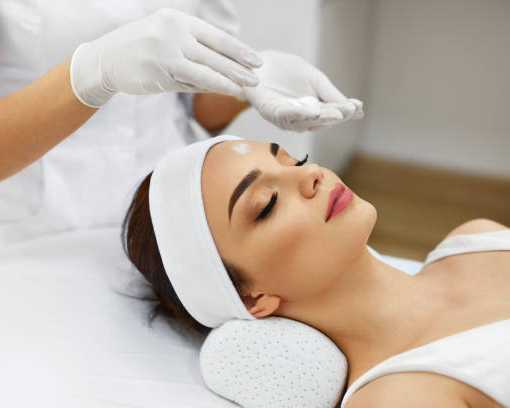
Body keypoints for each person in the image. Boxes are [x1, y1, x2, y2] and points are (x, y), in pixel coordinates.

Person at [0, 1, 363, 386]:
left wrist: (252, 80)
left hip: (182, 241)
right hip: (33, 238)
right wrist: (88, 77)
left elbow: (199, 105)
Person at [122, 135, 510, 408]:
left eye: (293, 160)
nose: (312, 175)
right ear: (252, 298)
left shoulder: (479, 239)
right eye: (267, 204)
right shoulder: (399, 396)